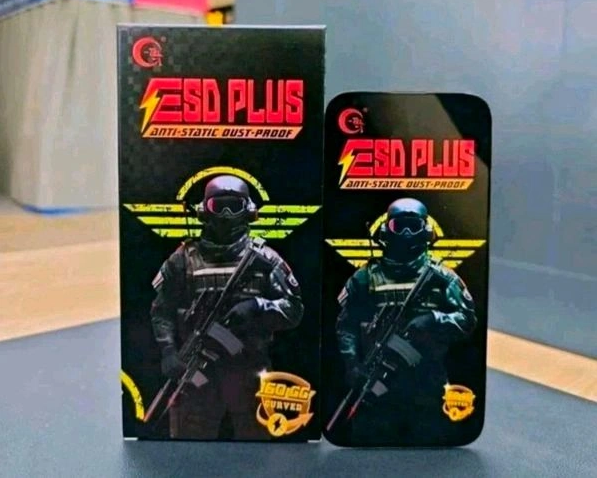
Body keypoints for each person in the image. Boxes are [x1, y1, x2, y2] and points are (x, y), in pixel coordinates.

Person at [150, 174, 303, 440]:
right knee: (190, 444)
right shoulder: (182, 260)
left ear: (249, 210)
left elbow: (294, 309)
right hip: (198, 374)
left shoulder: (264, 259)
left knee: (256, 445)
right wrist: (169, 352)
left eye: (234, 206)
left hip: (249, 371)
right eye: (218, 206)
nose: (227, 215)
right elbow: (161, 312)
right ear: (204, 210)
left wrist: (258, 306)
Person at [335, 197, 476, 445]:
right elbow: (346, 325)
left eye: (414, 225)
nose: (407, 233)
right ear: (386, 230)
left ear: (426, 230)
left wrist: (434, 319)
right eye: (399, 226)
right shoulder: (365, 278)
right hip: (379, 384)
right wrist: (352, 363)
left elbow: (467, 318)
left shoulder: (442, 278)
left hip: (427, 384)